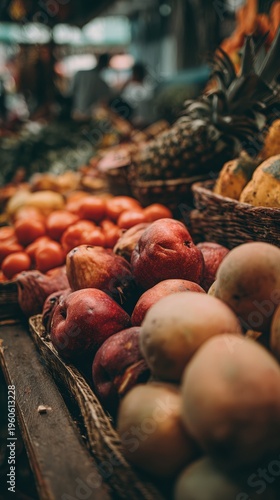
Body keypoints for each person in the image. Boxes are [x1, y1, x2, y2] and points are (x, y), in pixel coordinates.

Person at [71, 53, 112, 120]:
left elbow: (70, 92)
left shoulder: (80, 74)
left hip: (75, 114)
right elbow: (106, 99)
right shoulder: (101, 82)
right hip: (88, 116)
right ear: (107, 64)